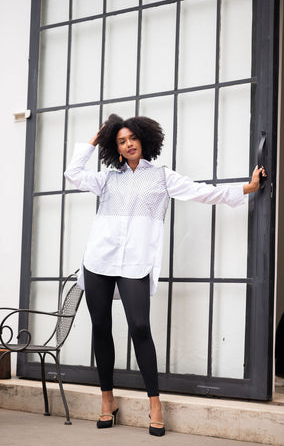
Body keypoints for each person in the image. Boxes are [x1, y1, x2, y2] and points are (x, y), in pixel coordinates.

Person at [64, 114, 266, 437]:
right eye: (121, 140)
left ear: (144, 140)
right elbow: (72, 174)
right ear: (114, 147)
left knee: (140, 328)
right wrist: (95, 139)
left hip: (135, 264)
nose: (128, 144)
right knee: (100, 328)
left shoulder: (161, 177)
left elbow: (202, 192)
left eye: (132, 138)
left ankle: (154, 403)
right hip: (99, 261)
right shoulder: (107, 178)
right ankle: (107, 400)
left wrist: (248, 188)